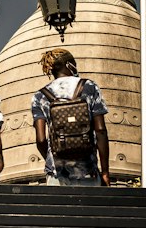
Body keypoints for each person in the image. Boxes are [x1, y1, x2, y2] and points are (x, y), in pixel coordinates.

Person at [31, 48, 111, 186]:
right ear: (69, 64)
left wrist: (51, 159)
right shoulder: (89, 87)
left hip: (58, 174)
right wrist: (105, 172)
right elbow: (100, 131)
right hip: (88, 170)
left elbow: (41, 139)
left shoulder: (40, 96)